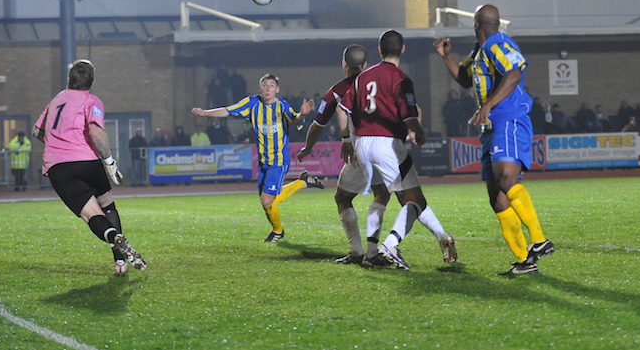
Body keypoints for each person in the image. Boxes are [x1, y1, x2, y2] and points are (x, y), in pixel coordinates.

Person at [298, 44, 457, 267]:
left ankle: (361, 252)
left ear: (344, 64)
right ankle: (431, 237)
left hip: (358, 151)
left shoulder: (337, 90)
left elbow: (320, 123)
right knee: (405, 199)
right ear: (365, 64)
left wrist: (312, 147)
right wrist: (415, 129)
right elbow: (415, 110)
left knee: (349, 197)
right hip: (385, 147)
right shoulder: (379, 79)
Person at [435, 4, 555, 275]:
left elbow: (514, 73)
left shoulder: (498, 43)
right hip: (491, 126)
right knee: (497, 197)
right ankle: (524, 260)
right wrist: (447, 57)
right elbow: (465, 78)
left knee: (505, 180)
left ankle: (539, 239)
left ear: (476, 24)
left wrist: (488, 105)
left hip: (508, 119)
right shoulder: (480, 51)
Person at [335, 30, 443, 271]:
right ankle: (394, 244)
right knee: (414, 200)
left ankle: (369, 253)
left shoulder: (363, 77)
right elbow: (409, 114)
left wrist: (346, 138)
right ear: (402, 49)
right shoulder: (400, 78)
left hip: (362, 145)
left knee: (378, 195)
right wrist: (419, 132)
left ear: (379, 50)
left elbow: (345, 107)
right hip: (386, 144)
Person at [32, 59, 146, 274]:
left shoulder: (56, 101)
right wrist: (110, 162)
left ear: (69, 79)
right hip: (87, 161)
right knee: (108, 206)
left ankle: (114, 237)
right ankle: (120, 262)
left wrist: (58, 145)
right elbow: (95, 130)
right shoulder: (92, 101)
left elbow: (37, 132)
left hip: (59, 167)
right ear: (91, 82)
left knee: (91, 215)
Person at [192, 73, 323, 242]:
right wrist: (205, 113)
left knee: (267, 200)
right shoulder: (252, 103)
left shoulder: (282, 106)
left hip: (279, 161)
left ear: (277, 89)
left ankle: (277, 231)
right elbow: (228, 110)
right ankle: (302, 183)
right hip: (263, 161)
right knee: (266, 202)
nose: (268, 88)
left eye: (271, 85)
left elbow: (296, 122)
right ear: (260, 88)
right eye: (265, 85)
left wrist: (303, 114)